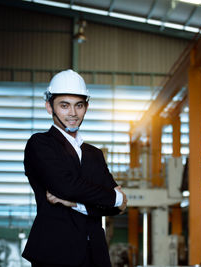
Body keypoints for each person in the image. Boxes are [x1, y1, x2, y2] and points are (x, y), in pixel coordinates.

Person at [22, 69, 128, 267]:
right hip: (55, 254)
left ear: (86, 107)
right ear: (49, 107)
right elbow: (66, 186)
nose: (72, 113)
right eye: (64, 105)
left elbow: (119, 206)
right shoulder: (40, 144)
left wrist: (75, 203)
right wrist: (112, 197)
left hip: (95, 256)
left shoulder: (94, 154)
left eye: (79, 105)